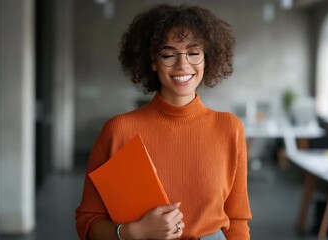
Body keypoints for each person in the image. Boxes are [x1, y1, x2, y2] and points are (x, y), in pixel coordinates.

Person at [75, 4, 252, 240]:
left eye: (193, 52)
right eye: (168, 54)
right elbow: (88, 222)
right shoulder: (119, 130)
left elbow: (237, 222)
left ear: (206, 58)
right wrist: (135, 231)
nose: (182, 64)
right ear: (152, 61)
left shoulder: (230, 129)